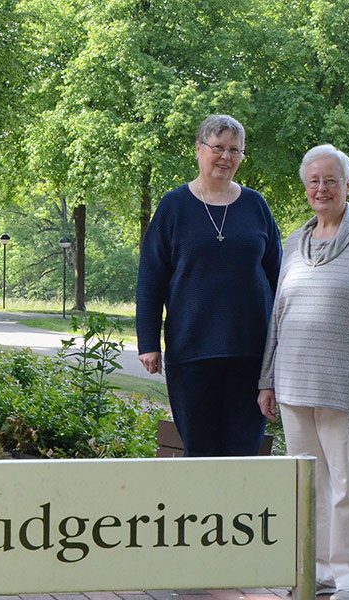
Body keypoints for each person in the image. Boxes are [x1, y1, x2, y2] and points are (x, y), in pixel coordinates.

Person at [257, 144, 349, 600]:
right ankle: (317, 572)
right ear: (306, 188)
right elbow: (277, 315)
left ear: (347, 184)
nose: (322, 188)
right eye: (314, 181)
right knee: (311, 487)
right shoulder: (294, 243)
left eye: (331, 180)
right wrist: (267, 379)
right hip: (295, 387)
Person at [136, 114, 282, 456]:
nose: (226, 157)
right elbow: (151, 277)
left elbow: (279, 278)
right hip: (192, 352)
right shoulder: (174, 207)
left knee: (243, 453)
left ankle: (239, 511)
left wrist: (283, 345)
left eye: (235, 150)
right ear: (199, 150)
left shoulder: (256, 206)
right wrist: (148, 342)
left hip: (251, 353)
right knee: (200, 452)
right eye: (218, 147)